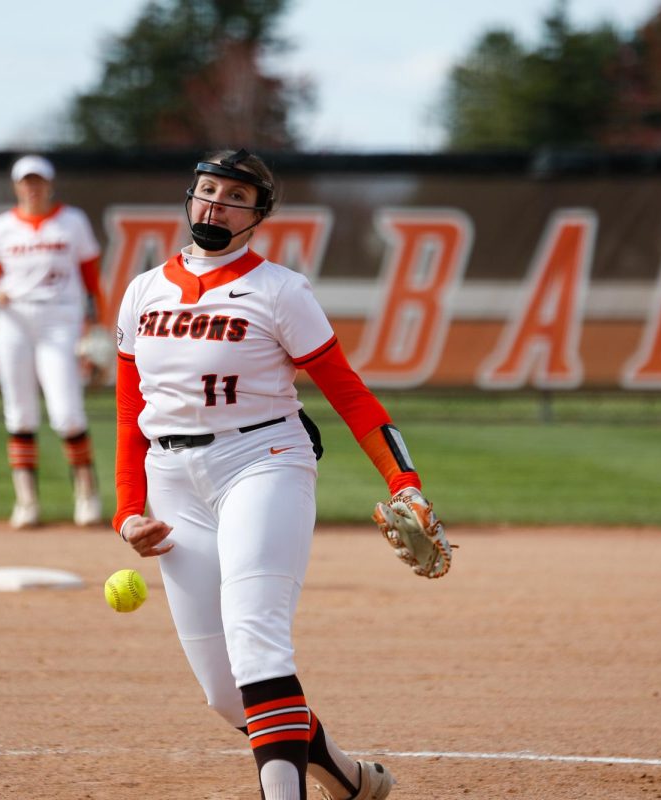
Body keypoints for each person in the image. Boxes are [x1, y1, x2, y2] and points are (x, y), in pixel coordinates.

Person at [113, 149, 438, 800]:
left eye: (235, 196)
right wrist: (128, 511)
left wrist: (404, 481)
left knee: (258, 645)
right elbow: (129, 411)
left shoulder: (281, 291)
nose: (215, 205)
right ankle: (347, 780)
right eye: (207, 190)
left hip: (261, 464)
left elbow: (349, 394)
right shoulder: (142, 291)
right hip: (173, 483)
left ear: (259, 214)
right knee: (224, 693)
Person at [0, 155, 105, 529]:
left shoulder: (72, 221)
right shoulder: (0, 227)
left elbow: (92, 280)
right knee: (19, 412)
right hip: (13, 319)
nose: (32, 188)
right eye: (26, 182)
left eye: (38, 181)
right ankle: (26, 500)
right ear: (17, 187)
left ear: (50, 185)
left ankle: (86, 493)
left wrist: (96, 327)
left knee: (66, 411)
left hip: (59, 319)